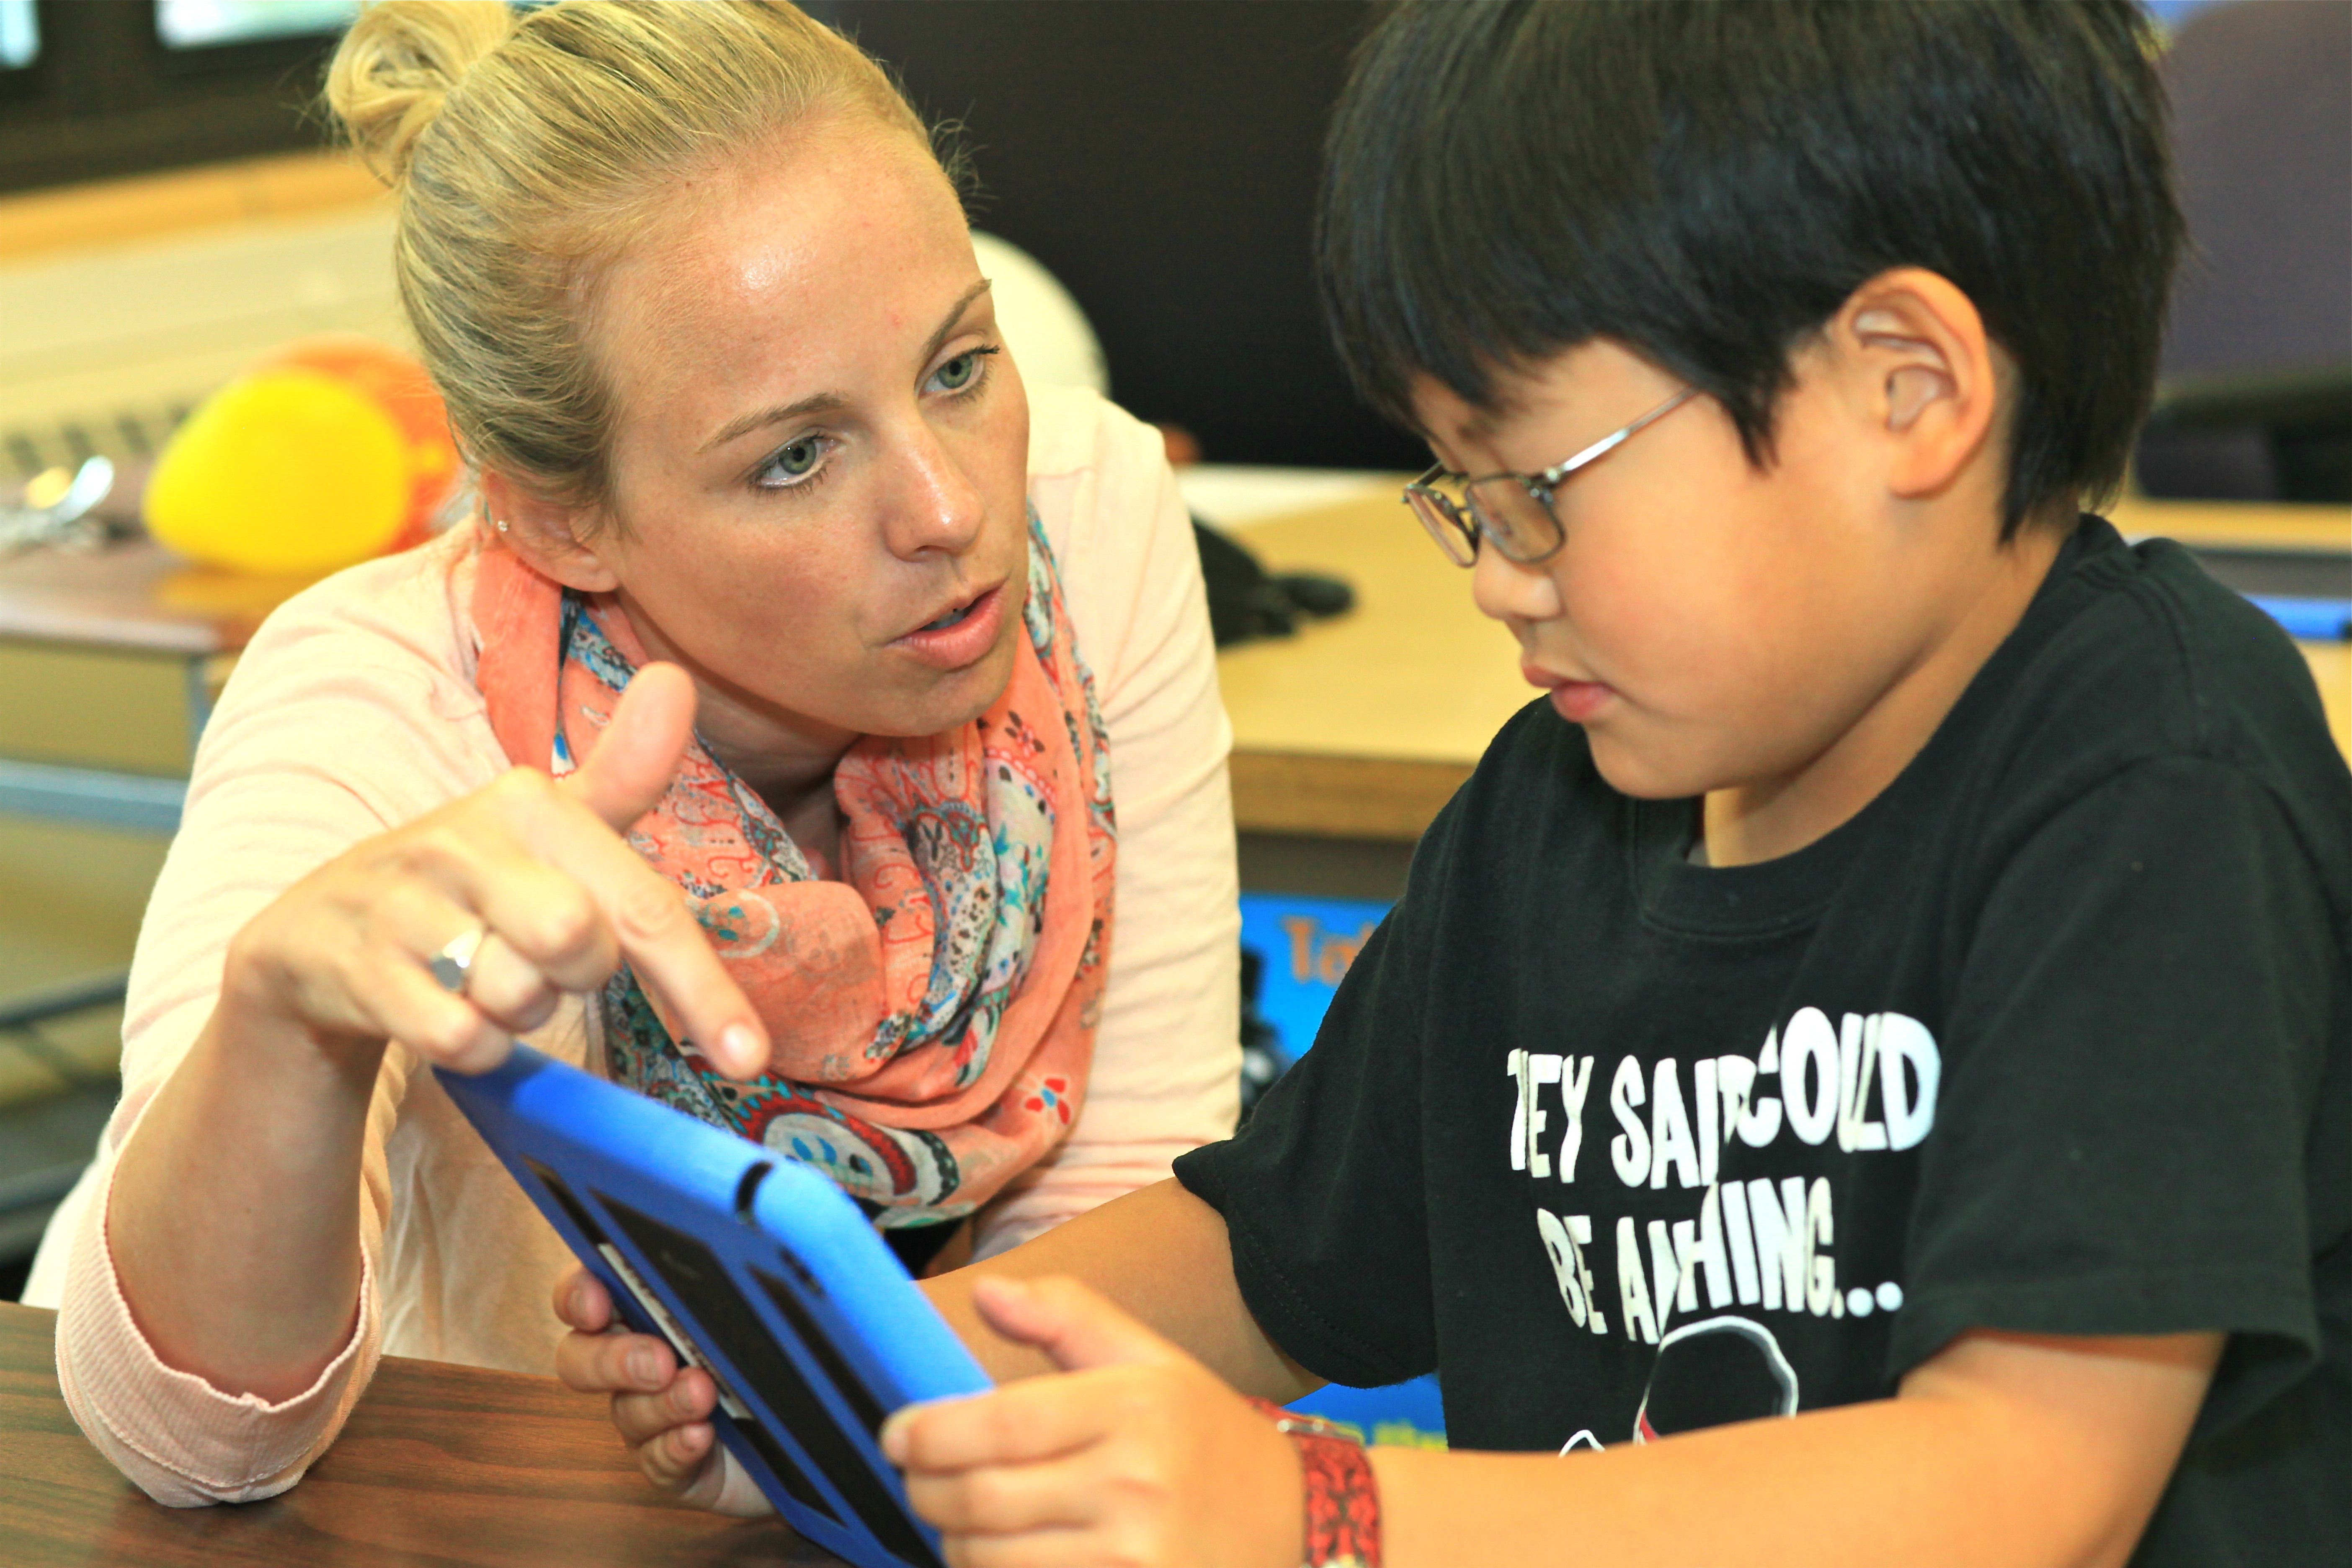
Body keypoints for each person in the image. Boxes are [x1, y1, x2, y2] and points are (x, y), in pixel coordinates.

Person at [565, 1, 2349, 1561]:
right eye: (1463, 498)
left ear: (1905, 391)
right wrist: (843, 1377)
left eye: (1541, 487)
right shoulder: (1560, 806)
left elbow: (2021, 1493)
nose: (1499, 570)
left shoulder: (2150, 775)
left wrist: (1327, 1523)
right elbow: (1262, 1265)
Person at [43, 0, 1240, 1508]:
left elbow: (1137, 1192)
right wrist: (290, 1028)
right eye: (796, 456)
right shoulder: (378, 700)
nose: (948, 509)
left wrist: (793, 1419)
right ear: (558, 517)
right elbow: (196, 1443)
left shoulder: (1089, 511)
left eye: (955, 367)